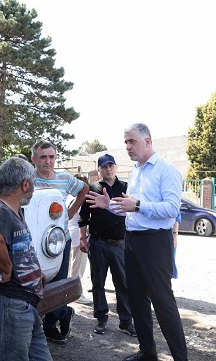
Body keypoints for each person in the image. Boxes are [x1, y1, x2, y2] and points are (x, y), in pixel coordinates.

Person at [86, 123, 187, 361]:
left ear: (147, 141)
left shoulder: (166, 170)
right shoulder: (136, 171)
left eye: (132, 141)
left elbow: (172, 209)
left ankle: (180, 357)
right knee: (137, 299)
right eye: (126, 142)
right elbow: (130, 211)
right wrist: (109, 205)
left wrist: (138, 205)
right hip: (131, 242)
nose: (128, 147)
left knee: (163, 302)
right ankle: (147, 351)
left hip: (155, 243)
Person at [0, 157, 52, 361]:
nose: (34, 189)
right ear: (25, 184)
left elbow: (19, 251)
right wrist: (6, 267)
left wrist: (36, 274)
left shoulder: (15, 211)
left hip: (23, 308)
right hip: (9, 308)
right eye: (33, 184)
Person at [31, 139, 89, 344]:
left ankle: (52, 324)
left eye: (51, 157)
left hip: (59, 241)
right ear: (34, 159)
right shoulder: (28, 179)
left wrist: (71, 211)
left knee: (58, 283)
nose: (48, 161)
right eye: (43, 157)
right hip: (34, 243)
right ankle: (61, 314)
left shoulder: (64, 179)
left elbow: (84, 188)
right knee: (35, 283)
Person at [78, 154, 136, 337]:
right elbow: (83, 217)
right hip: (98, 244)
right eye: (104, 167)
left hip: (120, 244)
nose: (108, 169)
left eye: (111, 165)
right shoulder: (93, 189)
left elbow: (134, 215)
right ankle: (101, 318)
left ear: (116, 167)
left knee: (123, 283)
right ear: (100, 169)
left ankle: (126, 321)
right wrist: (82, 239)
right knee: (98, 282)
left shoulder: (126, 188)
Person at [68, 173, 91, 305]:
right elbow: (83, 218)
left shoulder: (70, 197)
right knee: (78, 266)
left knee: (73, 264)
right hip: (78, 235)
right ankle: (76, 293)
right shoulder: (80, 199)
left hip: (71, 234)